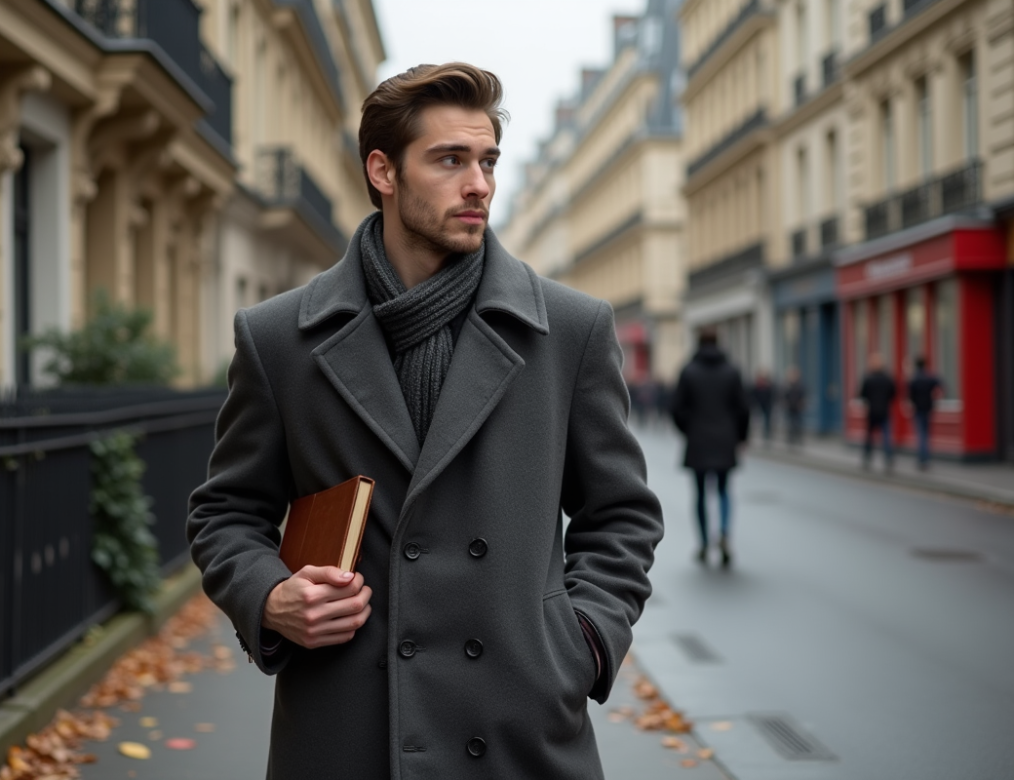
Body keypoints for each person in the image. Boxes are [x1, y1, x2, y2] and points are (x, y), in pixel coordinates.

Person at [187, 64, 664, 779]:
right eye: (450, 160)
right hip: (348, 730)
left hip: (519, 728)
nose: (480, 185)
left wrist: (582, 641)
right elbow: (225, 512)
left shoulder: (568, 330)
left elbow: (621, 514)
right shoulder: (282, 337)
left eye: (488, 161)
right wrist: (270, 597)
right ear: (383, 170)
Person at [671, 330, 750, 567]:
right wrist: (740, 437)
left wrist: (689, 430)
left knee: (700, 495)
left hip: (698, 440)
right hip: (726, 440)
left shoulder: (688, 371)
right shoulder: (732, 371)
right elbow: (743, 409)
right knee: (725, 490)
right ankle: (724, 532)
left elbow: (676, 408)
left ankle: (704, 542)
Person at [860, 353, 896, 472]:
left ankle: (867, 459)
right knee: (886, 436)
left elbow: (862, 394)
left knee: (870, 436)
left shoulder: (868, 378)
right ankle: (888, 459)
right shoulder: (887, 378)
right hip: (884, 410)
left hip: (872, 411)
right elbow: (893, 393)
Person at [907, 356, 942, 470]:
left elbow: (909, 395)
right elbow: (941, 385)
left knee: (921, 434)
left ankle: (922, 458)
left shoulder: (914, 378)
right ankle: (926, 458)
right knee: (926, 433)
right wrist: (936, 397)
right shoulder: (929, 376)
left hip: (918, 409)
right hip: (928, 408)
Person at [750, 370, 776, 444]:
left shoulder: (769, 386)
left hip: (767, 405)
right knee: (756, 420)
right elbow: (753, 395)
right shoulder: (756, 386)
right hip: (759, 405)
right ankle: (757, 434)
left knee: (767, 421)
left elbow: (772, 395)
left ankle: (766, 434)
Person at [783, 367, 806, 447]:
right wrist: (785, 403)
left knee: (798, 424)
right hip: (789, 407)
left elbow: (803, 395)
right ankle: (790, 439)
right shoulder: (787, 385)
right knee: (790, 424)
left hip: (797, 407)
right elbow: (783, 396)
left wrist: (801, 403)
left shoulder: (800, 385)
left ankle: (799, 439)